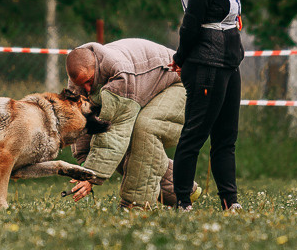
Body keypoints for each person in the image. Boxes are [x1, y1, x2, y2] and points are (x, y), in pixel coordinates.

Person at [64, 38, 199, 210]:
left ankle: (135, 206)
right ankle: (181, 189)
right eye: (82, 84)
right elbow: (83, 122)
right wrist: (84, 163)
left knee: (145, 128)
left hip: (182, 81)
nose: (88, 89)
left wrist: (92, 175)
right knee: (128, 142)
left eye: (89, 81)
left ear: (96, 68)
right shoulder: (79, 82)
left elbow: (114, 132)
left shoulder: (120, 74)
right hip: (150, 87)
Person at [170, 0, 244, 212]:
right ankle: (182, 201)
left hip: (228, 64)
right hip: (207, 65)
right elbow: (191, 24)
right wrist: (180, 57)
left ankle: (230, 201)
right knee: (195, 135)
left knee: (225, 139)